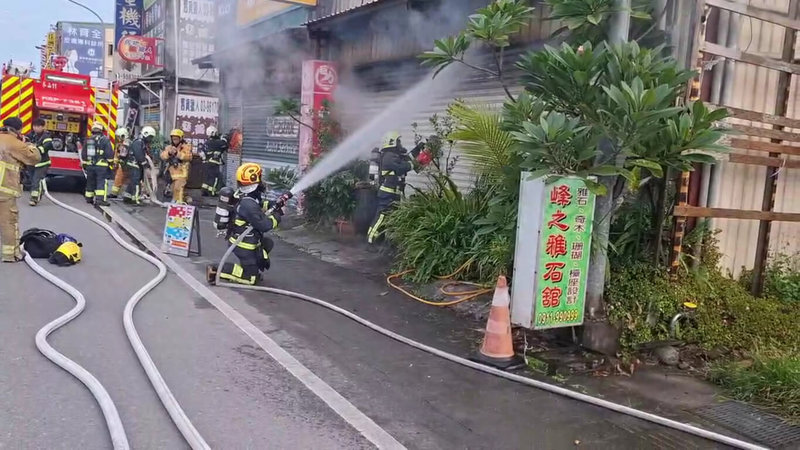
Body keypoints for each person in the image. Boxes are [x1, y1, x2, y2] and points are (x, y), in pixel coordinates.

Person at [206, 163, 283, 286]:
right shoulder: (248, 205)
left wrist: (273, 204)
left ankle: (252, 266)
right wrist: (277, 216)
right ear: (253, 180)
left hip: (247, 240)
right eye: (260, 177)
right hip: (243, 245)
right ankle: (216, 270)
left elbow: (259, 204)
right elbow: (264, 225)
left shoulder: (244, 195)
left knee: (268, 243)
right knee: (250, 279)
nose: (262, 180)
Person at [366, 131, 428, 244]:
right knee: (382, 216)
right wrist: (415, 163)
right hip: (387, 193)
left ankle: (384, 240)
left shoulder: (395, 155)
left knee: (390, 217)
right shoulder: (389, 156)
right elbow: (401, 167)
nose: (400, 143)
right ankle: (371, 240)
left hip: (393, 193)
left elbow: (407, 158)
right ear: (392, 142)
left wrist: (418, 148)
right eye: (398, 141)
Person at [0, 117, 41, 262]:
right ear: (17, 130)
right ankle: (10, 255)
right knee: (8, 222)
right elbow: (35, 158)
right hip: (4, 191)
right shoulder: (15, 144)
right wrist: (30, 145)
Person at [82, 123, 114, 206]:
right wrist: (110, 163)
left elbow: (84, 153)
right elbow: (109, 153)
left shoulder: (89, 140)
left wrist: (85, 164)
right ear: (101, 131)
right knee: (101, 182)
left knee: (90, 181)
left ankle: (89, 198)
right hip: (101, 166)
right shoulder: (105, 140)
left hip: (90, 165)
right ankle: (100, 199)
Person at [122, 126, 155, 205]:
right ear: (145, 134)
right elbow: (139, 154)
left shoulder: (141, 142)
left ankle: (128, 196)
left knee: (133, 181)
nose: (150, 139)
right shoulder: (138, 142)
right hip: (135, 165)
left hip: (135, 165)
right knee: (136, 182)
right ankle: (135, 199)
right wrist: (144, 163)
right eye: (150, 137)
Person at [26, 118, 54, 206]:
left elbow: (47, 146)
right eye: (34, 126)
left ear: (43, 127)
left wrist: (35, 149)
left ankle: (34, 199)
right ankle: (38, 191)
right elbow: (25, 140)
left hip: (42, 163)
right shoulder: (32, 134)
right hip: (32, 163)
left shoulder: (46, 136)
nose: (35, 128)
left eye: (38, 126)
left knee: (36, 180)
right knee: (32, 179)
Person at [160, 129, 193, 203]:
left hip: (182, 171)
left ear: (180, 138)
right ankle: (185, 198)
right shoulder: (169, 147)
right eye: (173, 138)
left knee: (178, 187)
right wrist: (169, 153)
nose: (174, 140)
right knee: (173, 188)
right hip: (172, 173)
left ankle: (177, 203)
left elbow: (188, 157)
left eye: (176, 138)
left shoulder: (186, 146)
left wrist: (177, 153)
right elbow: (162, 156)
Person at [201, 126, 228, 197]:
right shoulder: (215, 142)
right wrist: (224, 137)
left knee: (208, 178)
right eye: (216, 133)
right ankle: (212, 192)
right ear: (213, 133)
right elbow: (224, 144)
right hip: (213, 163)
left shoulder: (207, 142)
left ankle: (204, 191)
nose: (216, 134)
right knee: (216, 178)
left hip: (207, 163)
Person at [110, 127, 131, 198]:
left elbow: (123, 155)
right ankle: (119, 193)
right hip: (123, 164)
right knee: (120, 178)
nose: (118, 138)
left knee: (119, 178)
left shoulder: (126, 144)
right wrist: (115, 163)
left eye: (119, 136)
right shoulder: (120, 144)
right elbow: (117, 155)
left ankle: (114, 193)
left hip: (125, 164)